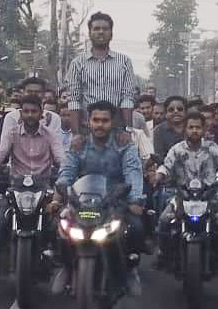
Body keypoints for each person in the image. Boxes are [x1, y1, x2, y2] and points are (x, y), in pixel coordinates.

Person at [0, 95, 66, 300]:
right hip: (16, 188)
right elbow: (0, 153)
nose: (30, 115)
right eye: (26, 111)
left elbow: (61, 157)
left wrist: (67, 171)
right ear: (21, 114)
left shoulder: (50, 135)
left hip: (43, 189)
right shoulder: (12, 133)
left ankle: (68, 273)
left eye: (34, 111)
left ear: (41, 114)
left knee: (58, 228)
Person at [52, 101, 147, 296]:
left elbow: (133, 172)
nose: (100, 125)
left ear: (112, 123)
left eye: (105, 120)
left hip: (115, 200)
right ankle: (67, 267)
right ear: (89, 122)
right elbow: (67, 171)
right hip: (82, 200)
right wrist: (59, 193)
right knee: (57, 225)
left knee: (136, 227)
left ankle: (130, 269)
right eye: (96, 120)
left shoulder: (124, 145)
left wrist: (135, 200)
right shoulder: (78, 145)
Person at [151, 111, 218, 269]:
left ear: (204, 129)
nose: (194, 130)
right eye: (191, 127)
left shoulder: (211, 147)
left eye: (198, 127)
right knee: (164, 220)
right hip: (182, 196)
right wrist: (158, 176)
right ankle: (164, 254)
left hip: (209, 196)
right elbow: (166, 166)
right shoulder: (177, 149)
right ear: (185, 129)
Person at [64, 12, 139, 129]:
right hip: (87, 129)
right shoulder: (77, 63)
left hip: (116, 129)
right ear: (90, 33)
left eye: (105, 29)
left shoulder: (124, 62)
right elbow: (74, 101)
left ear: (111, 34)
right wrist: (76, 133)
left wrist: (127, 130)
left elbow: (128, 99)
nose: (101, 32)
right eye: (96, 28)